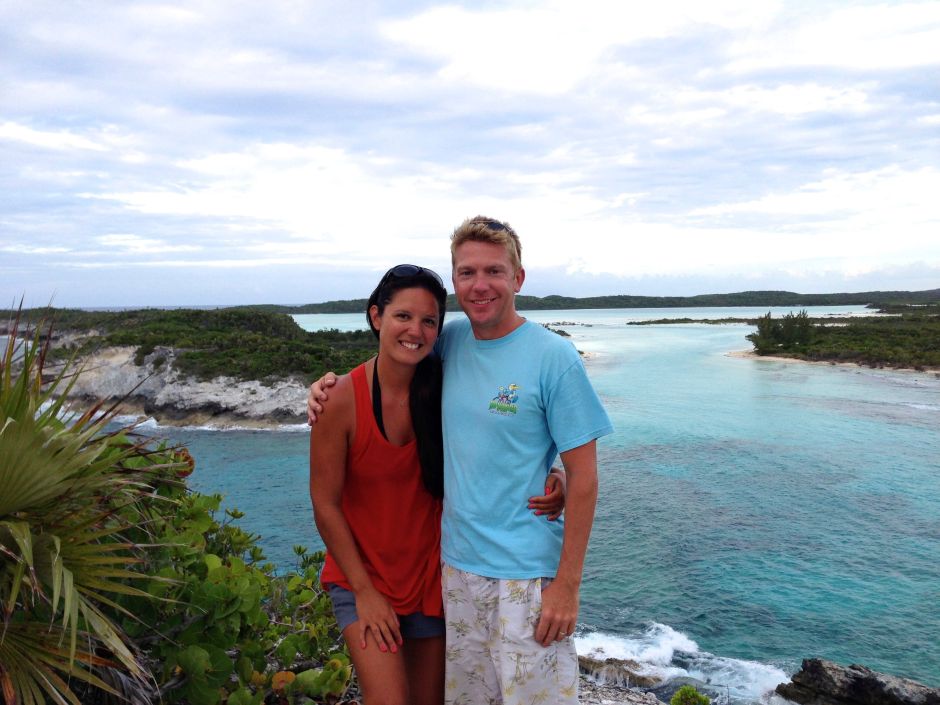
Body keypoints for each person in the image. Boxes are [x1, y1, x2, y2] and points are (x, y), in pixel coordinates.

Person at [308, 263, 565, 705]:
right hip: (362, 578)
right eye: (402, 316)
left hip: (431, 579)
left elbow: (502, 438)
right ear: (376, 317)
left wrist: (555, 472)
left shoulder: (444, 385)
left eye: (429, 321)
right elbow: (324, 503)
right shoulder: (340, 400)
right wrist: (365, 593)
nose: (416, 330)